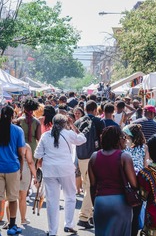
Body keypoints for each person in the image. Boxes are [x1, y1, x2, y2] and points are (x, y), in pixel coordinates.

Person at [34, 114, 87, 236]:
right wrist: (73, 125)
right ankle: (68, 224)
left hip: (49, 171)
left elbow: (37, 155)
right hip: (66, 170)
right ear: (65, 124)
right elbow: (82, 139)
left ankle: (52, 231)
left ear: (52, 123)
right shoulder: (69, 133)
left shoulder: (45, 135)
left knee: (52, 201)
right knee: (70, 196)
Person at [0, 105, 25, 236]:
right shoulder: (18, 131)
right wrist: (21, 170)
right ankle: (12, 226)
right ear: (13, 116)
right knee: (13, 199)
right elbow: (21, 154)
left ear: (0, 115)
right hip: (13, 168)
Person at [88, 126, 137, 236]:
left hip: (100, 202)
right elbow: (134, 184)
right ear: (117, 139)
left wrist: (95, 204)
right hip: (120, 202)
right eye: (123, 137)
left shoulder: (94, 157)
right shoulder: (125, 157)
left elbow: (92, 185)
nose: (125, 140)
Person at [74, 100, 106, 229]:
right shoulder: (99, 121)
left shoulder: (78, 122)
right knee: (90, 186)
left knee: (88, 184)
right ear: (94, 110)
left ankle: (91, 214)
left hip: (81, 156)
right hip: (95, 156)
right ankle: (83, 216)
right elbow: (103, 138)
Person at [123, 123, 149, 236]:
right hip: (139, 182)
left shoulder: (125, 148)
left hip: (126, 182)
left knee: (126, 212)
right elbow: (146, 166)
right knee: (136, 211)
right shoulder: (145, 147)